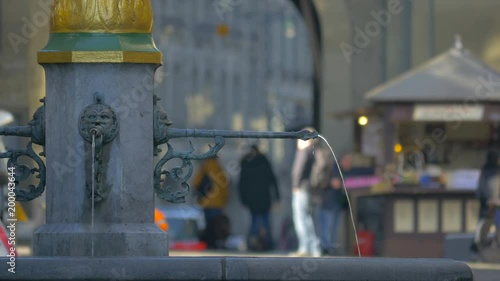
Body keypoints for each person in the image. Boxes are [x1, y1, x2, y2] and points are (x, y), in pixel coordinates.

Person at [238, 144, 280, 251]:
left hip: (252, 199)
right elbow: (273, 180)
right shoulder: (264, 161)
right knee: (265, 222)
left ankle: (252, 244)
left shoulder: (246, 162)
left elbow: (242, 184)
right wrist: (277, 197)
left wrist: (243, 199)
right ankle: (267, 243)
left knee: (254, 222)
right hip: (264, 198)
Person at [290, 128, 321, 257]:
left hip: (301, 189)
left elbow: (297, 171)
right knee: (308, 218)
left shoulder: (303, 152)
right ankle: (314, 247)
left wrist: (295, 185)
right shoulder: (314, 152)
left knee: (301, 219)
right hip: (310, 189)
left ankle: (305, 247)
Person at [471, 150, 500, 253]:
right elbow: (481, 190)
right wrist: (489, 200)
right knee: (483, 228)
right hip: (487, 207)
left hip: (493, 206)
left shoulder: (487, 171)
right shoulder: (487, 171)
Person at [192, 156, 230, 230]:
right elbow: (225, 189)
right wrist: (224, 201)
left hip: (205, 202)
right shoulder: (220, 170)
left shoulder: (203, 169)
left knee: (207, 225)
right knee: (217, 225)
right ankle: (216, 239)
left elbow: (195, 183)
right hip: (218, 204)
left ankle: (208, 240)